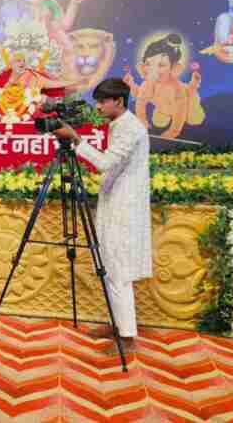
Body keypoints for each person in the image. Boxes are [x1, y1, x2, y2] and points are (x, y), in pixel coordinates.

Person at [52, 78, 152, 354]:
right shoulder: (119, 124)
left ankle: (129, 339)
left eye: (102, 101)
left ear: (118, 102)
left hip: (124, 208)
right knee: (109, 265)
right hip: (115, 203)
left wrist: (75, 139)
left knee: (118, 271)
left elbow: (104, 163)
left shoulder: (130, 128)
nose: (97, 107)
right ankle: (117, 324)